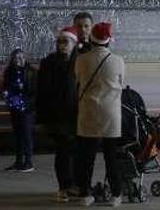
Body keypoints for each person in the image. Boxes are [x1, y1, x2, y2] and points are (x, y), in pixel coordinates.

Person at [73, 22, 125, 207]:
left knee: (86, 157)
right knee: (111, 157)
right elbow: (122, 82)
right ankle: (116, 195)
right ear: (109, 40)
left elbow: (78, 80)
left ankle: (85, 194)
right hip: (111, 114)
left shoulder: (81, 60)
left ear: (92, 39)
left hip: (89, 112)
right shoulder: (118, 60)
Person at [37, 26, 80, 203]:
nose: (62, 45)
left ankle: (75, 185)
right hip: (58, 116)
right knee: (63, 152)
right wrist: (42, 117)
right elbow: (42, 91)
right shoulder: (49, 62)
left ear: (74, 43)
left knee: (75, 152)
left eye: (65, 41)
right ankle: (64, 186)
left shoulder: (80, 61)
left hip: (77, 114)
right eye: (59, 42)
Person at [3, 48, 37, 173]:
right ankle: (18, 161)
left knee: (26, 134)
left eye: (22, 57)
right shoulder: (9, 72)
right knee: (17, 135)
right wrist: (10, 99)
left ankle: (28, 161)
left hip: (26, 108)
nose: (20, 60)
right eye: (17, 58)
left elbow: (35, 90)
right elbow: (6, 88)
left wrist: (27, 102)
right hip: (15, 107)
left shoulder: (31, 72)